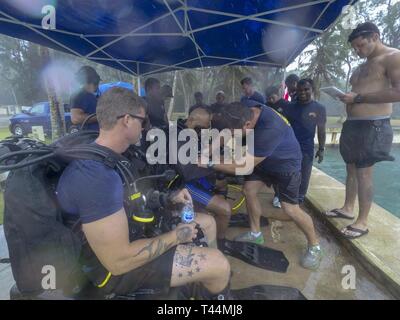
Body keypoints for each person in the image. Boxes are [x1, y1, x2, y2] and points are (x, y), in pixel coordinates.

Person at [56, 87, 231, 299]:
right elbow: (118, 262)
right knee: (219, 265)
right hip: (112, 273)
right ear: (127, 120)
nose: (145, 126)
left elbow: (133, 198)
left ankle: (200, 289)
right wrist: (177, 236)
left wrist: (167, 198)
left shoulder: (117, 157)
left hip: (132, 231)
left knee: (208, 222)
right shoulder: (95, 177)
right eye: (142, 120)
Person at [200, 102, 322, 270]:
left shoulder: (270, 129)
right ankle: (256, 234)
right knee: (248, 190)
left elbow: (242, 166)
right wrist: (207, 149)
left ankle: (314, 246)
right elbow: (227, 133)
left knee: (290, 209)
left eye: (236, 132)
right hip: (265, 161)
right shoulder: (247, 109)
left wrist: (209, 163)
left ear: (248, 124)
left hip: (286, 165)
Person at [326, 22, 400, 239]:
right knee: (350, 168)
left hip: (374, 125)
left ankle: (363, 221)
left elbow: (398, 92)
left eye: (360, 45)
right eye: (355, 48)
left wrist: (358, 98)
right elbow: (361, 90)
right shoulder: (362, 66)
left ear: (375, 37)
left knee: (364, 173)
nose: (357, 51)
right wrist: (347, 96)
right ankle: (348, 208)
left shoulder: (393, 57)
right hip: (353, 124)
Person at [178, 107, 233, 240]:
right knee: (225, 210)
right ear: (191, 120)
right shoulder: (179, 137)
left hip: (198, 177)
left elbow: (202, 154)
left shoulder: (192, 133)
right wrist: (212, 167)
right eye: (206, 123)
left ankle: (211, 210)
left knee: (223, 183)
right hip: (184, 185)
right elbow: (187, 173)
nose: (208, 126)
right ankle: (219, 242)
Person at [284, 79, 326, 203]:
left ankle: (300, 199)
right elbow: (284, 127)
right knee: (287, 174)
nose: (303, 92)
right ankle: (284, 197)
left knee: (304, 175)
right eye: (300, 90)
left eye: (306, 89)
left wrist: (321, 149)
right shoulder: (290, 107)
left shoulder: (319, 108)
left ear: (312, 90)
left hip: (307, 148)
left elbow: (321, 130)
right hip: (290, 147)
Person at [70, 66, 101, 130]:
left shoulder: (90, 95)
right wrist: (101, 116)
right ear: (95, 81)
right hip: (88, 136)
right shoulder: (79, 95)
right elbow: (75, 118)